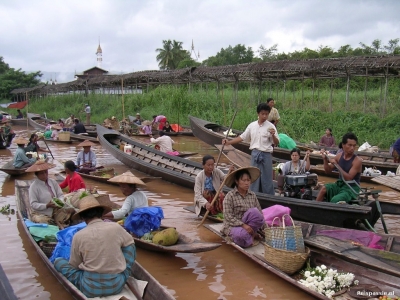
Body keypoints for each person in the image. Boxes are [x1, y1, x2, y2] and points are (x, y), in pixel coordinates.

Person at [54, 195, 136, 298]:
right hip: (117, 285)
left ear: (83, 217)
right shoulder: (115, 227)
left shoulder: (78, 236)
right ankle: (122, 273)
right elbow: (130, 245)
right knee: (129, 246)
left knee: (58, 261)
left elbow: (74, 264)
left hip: (90, 289)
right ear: (101, 213)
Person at [223, 103, 279, 195]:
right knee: (253, 176)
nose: (264, 116)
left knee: (267, 178)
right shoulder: (252, 126)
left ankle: (268, 196)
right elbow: (242, 137)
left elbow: (276, 142)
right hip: (255, 154)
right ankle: (253, 195)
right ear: (258, 113)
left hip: (266, 155)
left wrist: (273, 135)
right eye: (262, 114)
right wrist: (229, 142)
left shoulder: (271, 127)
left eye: (266, 114)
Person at [221, 167, 265, 248]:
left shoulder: (252, 195)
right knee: (240, 236)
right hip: (233, 225)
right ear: (237, 181)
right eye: (243, 180)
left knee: (255, 212)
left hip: (249, 225)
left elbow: (260, 213)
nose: (246, 183)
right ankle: (252, 235)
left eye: (248, 180)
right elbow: (228, 216)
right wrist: (243, 225)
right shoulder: (230, 196)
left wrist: (265, 229)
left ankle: (252, 233)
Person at [316, 132, 362, 203]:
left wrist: (337, 165)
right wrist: (325, 159)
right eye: (350, 145)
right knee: (323, 189)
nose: (352, 148)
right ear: (343, 145)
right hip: (340, 185)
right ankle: (316, 208)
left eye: (354, 146)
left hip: (351, 188)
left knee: (335, 200)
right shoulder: (339, 156)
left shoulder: (357, 161)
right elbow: (328, 171)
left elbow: (349, 178)